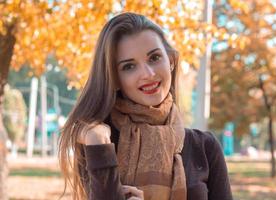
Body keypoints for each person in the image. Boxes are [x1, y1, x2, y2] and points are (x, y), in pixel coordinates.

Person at [58, 12, 233, 200]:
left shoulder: (205, 148)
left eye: (154, 58)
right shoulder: (102, 144)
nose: (148, 74)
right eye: (129, 66)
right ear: (115, 80)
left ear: (171, 61)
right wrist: (97, 142)